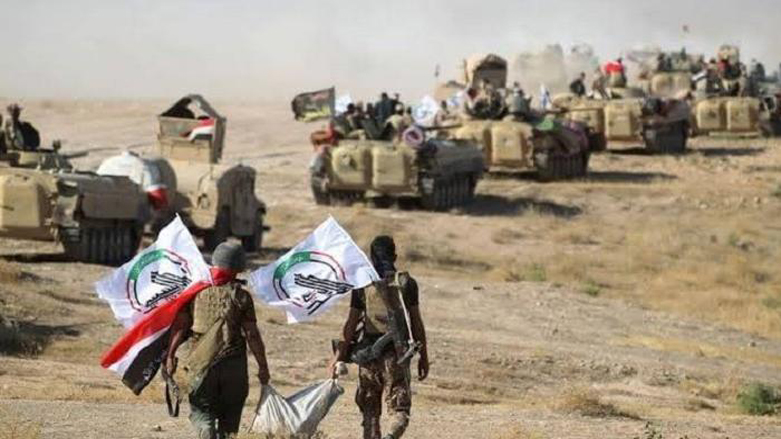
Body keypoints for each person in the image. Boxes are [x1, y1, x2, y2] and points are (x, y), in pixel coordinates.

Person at [166, 242, 270, 439]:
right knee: (230, 418)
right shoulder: (242, 297)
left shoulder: (195, 292)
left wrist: (170, 356)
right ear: (240, 267)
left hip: (202, 363)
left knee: (202, 411)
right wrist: (263, 367)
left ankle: (206, 430)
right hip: (233, 365)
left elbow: (180, 327)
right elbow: (252, 335)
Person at [329, 236, 429, 439]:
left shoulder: (363, 285)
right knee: (399, 409)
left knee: (370, 413)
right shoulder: (407, 284)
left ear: (372, 258)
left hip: (367, 356)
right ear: (394, 256)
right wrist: (424, 356)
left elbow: (350, 324)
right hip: (396, 355)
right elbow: (416, 322)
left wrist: (338, 357)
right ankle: (391, 436)